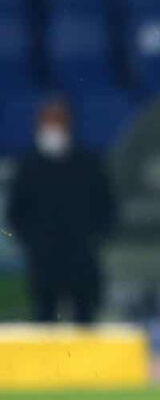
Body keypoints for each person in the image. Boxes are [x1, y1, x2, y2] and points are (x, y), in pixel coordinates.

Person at [7, 98, 116, 323]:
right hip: (43, 260)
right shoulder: (28, 166)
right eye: (48, 122)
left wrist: (93, 238)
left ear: (69, 124)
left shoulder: (88, 163)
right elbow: (16, 213)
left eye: (58, 121)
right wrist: (33, 242)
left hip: (82, 258)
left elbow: (107, 208)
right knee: (44, 321)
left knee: (85, 322)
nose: (53, 128)